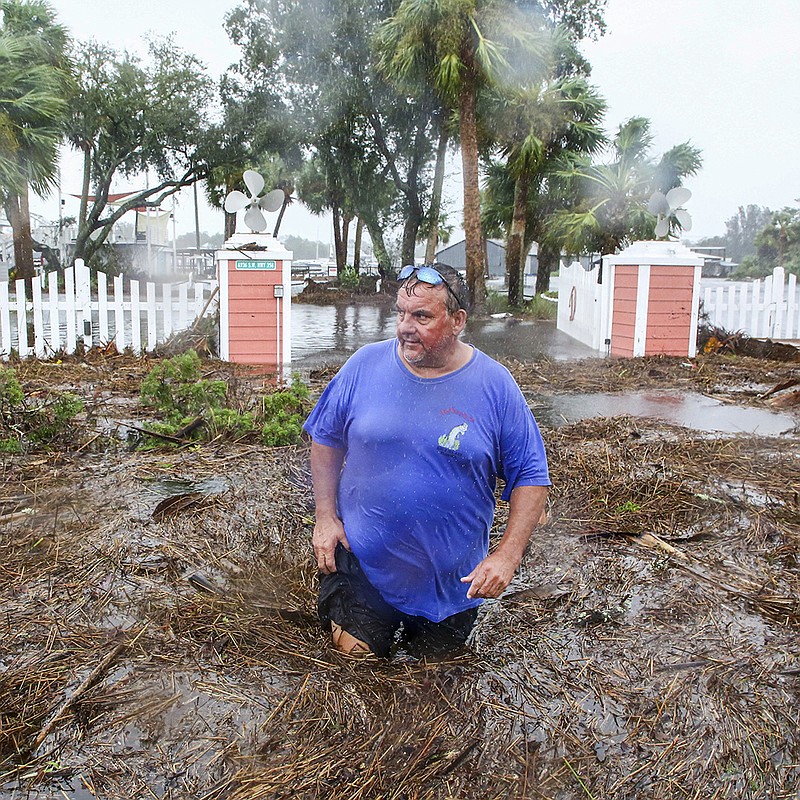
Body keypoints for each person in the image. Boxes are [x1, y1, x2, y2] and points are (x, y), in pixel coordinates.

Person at [303, 262, 550, 658]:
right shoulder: (364, 366)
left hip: (453, 583)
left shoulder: (495, 385)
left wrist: (507, 554)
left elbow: (531, 475)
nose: (404, 326)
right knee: (355, 662)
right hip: (365, 568)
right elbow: (326, 437)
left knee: (433, 682)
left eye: (421, 316)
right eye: (400, 313)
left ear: (457, 320)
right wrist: (325, 517)